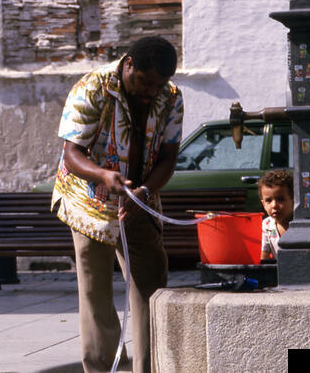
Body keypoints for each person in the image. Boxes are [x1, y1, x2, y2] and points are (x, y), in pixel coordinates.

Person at [51, 36, 183, 373]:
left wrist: (145, 191)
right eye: (144, 82)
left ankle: (149, 367)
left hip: (140, 201)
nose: (151, 91)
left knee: (150, 286)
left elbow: (168, 157)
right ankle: (101, 368)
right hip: (89, 202)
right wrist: (102, 176)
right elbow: (72, 152)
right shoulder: (92, 88)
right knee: (96, 292)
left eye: (158, 84)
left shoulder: (171, 98)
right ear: (128, 65)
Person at [258, 169, 294, 261]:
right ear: (263, 204)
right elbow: (264, 257)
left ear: (293, 200)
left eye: (280, 199)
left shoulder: (300, 224)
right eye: (268, 201)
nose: (274, 205)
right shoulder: (266, 225)